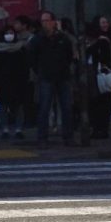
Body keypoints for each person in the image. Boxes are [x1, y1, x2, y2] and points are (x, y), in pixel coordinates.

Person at [30, 10, 76, 145]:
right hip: (46, 76)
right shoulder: (37, 39)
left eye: (47, 20)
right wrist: (40, 70)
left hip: (62, 75)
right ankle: (42, 138)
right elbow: (32, 58)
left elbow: (69, 55)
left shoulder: (63, 38)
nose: (45, 23)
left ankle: (68, 137)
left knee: (66, 107)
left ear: (53, 22)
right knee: (44, 107)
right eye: (43, 21)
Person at [0, 17, 33, 139]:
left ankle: (18, 129)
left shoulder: (20, 48)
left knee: (18, 106)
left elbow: (25, 65)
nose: (9, 35)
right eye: (7, 33)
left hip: (18, 81)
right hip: (2, 81)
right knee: (3, 105)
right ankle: (5, 129)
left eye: (11, 33)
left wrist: (25, 78)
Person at [85, 16, 111, 139]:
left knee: (102, 103)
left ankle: (101, 129)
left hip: (101, 74)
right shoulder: (103, 40)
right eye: (103, 22)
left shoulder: (103, 41)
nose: (105, 24)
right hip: (99, 75)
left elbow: (108, 57)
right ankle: (100, 128)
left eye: (106, 22)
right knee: (99, 103)